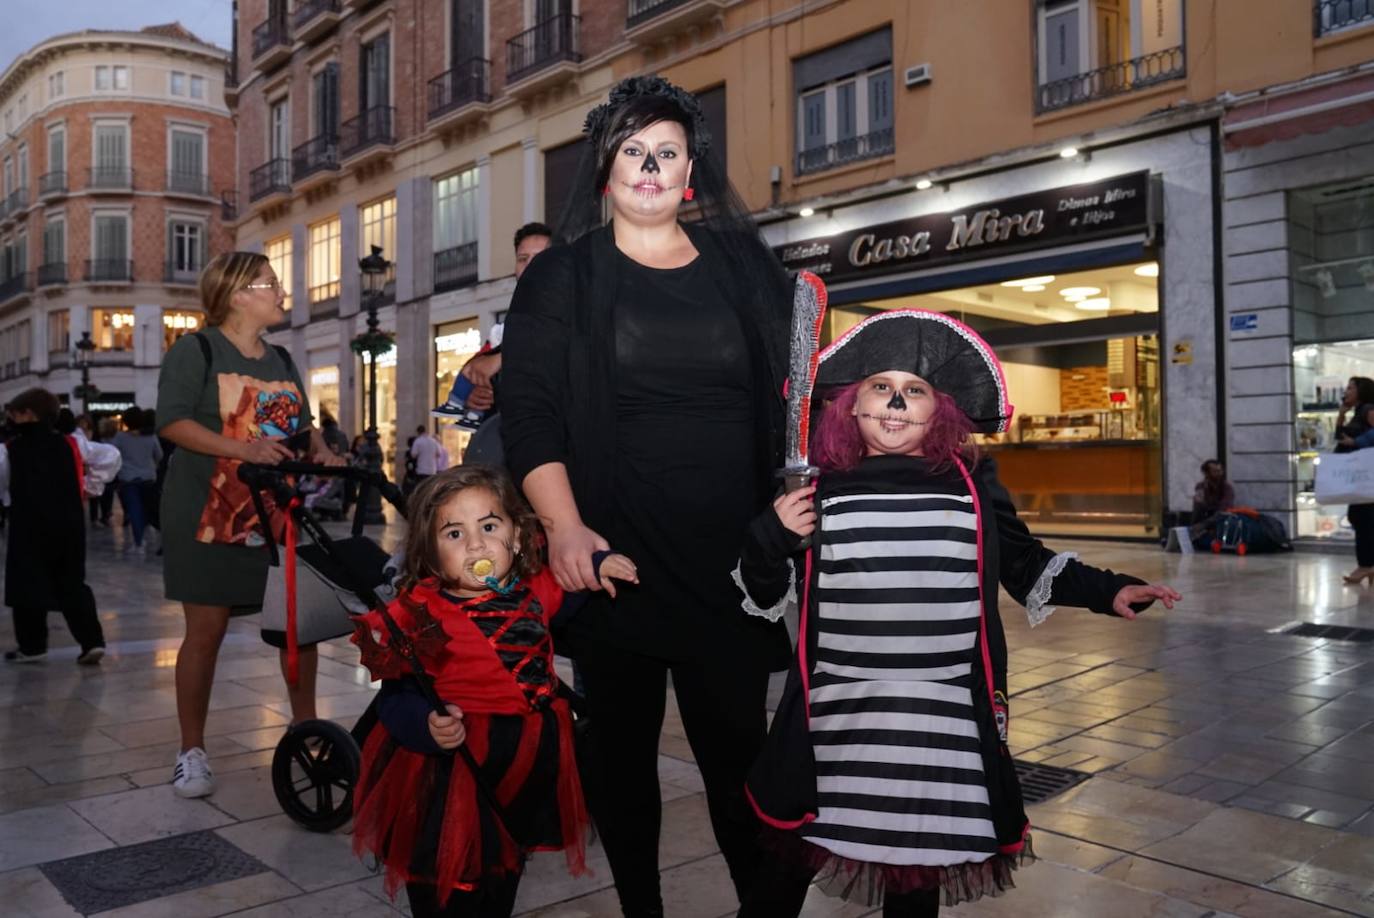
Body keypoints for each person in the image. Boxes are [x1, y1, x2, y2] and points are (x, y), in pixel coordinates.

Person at [735, 310, 1182, 917]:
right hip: (835, 716)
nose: (896, 402)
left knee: (917, 872)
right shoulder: (822, 489)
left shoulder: (970, 484)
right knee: (783, 876)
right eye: (880, 387)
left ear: (938, 410)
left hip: (938, 719)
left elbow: (1023, 561)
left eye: (914, 390)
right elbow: (764, 593)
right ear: (850, 404)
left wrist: (1108, 590)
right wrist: (770, 535)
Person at [502, 76, 795, 916]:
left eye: (667, 151)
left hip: (733, 569)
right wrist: (563, 528)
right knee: (622, 767)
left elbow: (798, 393)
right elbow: (531, 415)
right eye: (633, 150)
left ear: (690, 171)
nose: (651, 166)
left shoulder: (744, 266)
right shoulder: (562, 276)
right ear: (605, 168)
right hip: (613, 563)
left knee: (741, 767)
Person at [349, 465, 637, 917]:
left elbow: (574, 575)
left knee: (504, 865)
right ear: (429, 552)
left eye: (488, 526)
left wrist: (599, 565)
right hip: (452, 767)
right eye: (454, 534)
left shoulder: (537, 590)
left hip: (526, 759)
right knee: (447, 881)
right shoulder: (421, 613)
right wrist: (426, 725)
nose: (477, 544)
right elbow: (395, 699)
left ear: (518, 538)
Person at [156, 251, 342, 798]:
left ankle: (304, 729)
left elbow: (302, 426)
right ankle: (191, 751)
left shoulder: (282, 358)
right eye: (270, 284)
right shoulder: (197, 350)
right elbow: (174, 423)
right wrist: (243, 447)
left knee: (297, 626)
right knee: (205, 633)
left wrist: (324, 449)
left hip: (276, 513)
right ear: (238, 294)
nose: (281, 292)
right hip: (208, 516)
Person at [1, 388, 113, 664]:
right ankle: (92, 642)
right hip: (68, 522)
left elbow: (3, 483)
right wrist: (89, 487)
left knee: (27, 583)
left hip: (29, 523)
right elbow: (110, 457)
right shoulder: (72, 443)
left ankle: (33, 645)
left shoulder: (10, 449)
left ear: (28, 414)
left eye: (14, 414)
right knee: (72, 582)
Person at [432, 221, 553, 466]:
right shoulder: (511, 321)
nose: (530, 265)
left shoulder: (575, 306)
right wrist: (479, 395)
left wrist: (500, 359)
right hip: (513, 450)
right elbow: (479, 373)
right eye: (522, 258)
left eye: (540, 257)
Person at [1336, 376, 1374, 585]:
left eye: (1351, 387)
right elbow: (1340, 439)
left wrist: (1356, 441)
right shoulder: (1356, 413)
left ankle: (1365, 565)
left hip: (1367, 473)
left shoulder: (1368, 409)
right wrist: (1341, 415)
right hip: (1359, 474)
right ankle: (1367, 566)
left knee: (1362, 517)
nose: (1347, 391)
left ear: (1361, 390)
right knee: (1361, 517)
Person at [112, 406, 164, 558]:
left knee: (135, 511)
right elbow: (159, 455)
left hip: (128, 479)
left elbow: (112, 454)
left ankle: (139, 544)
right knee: (150, 509)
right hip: (148, 477)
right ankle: (157, 538)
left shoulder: (121, 437)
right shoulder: (151, 436)